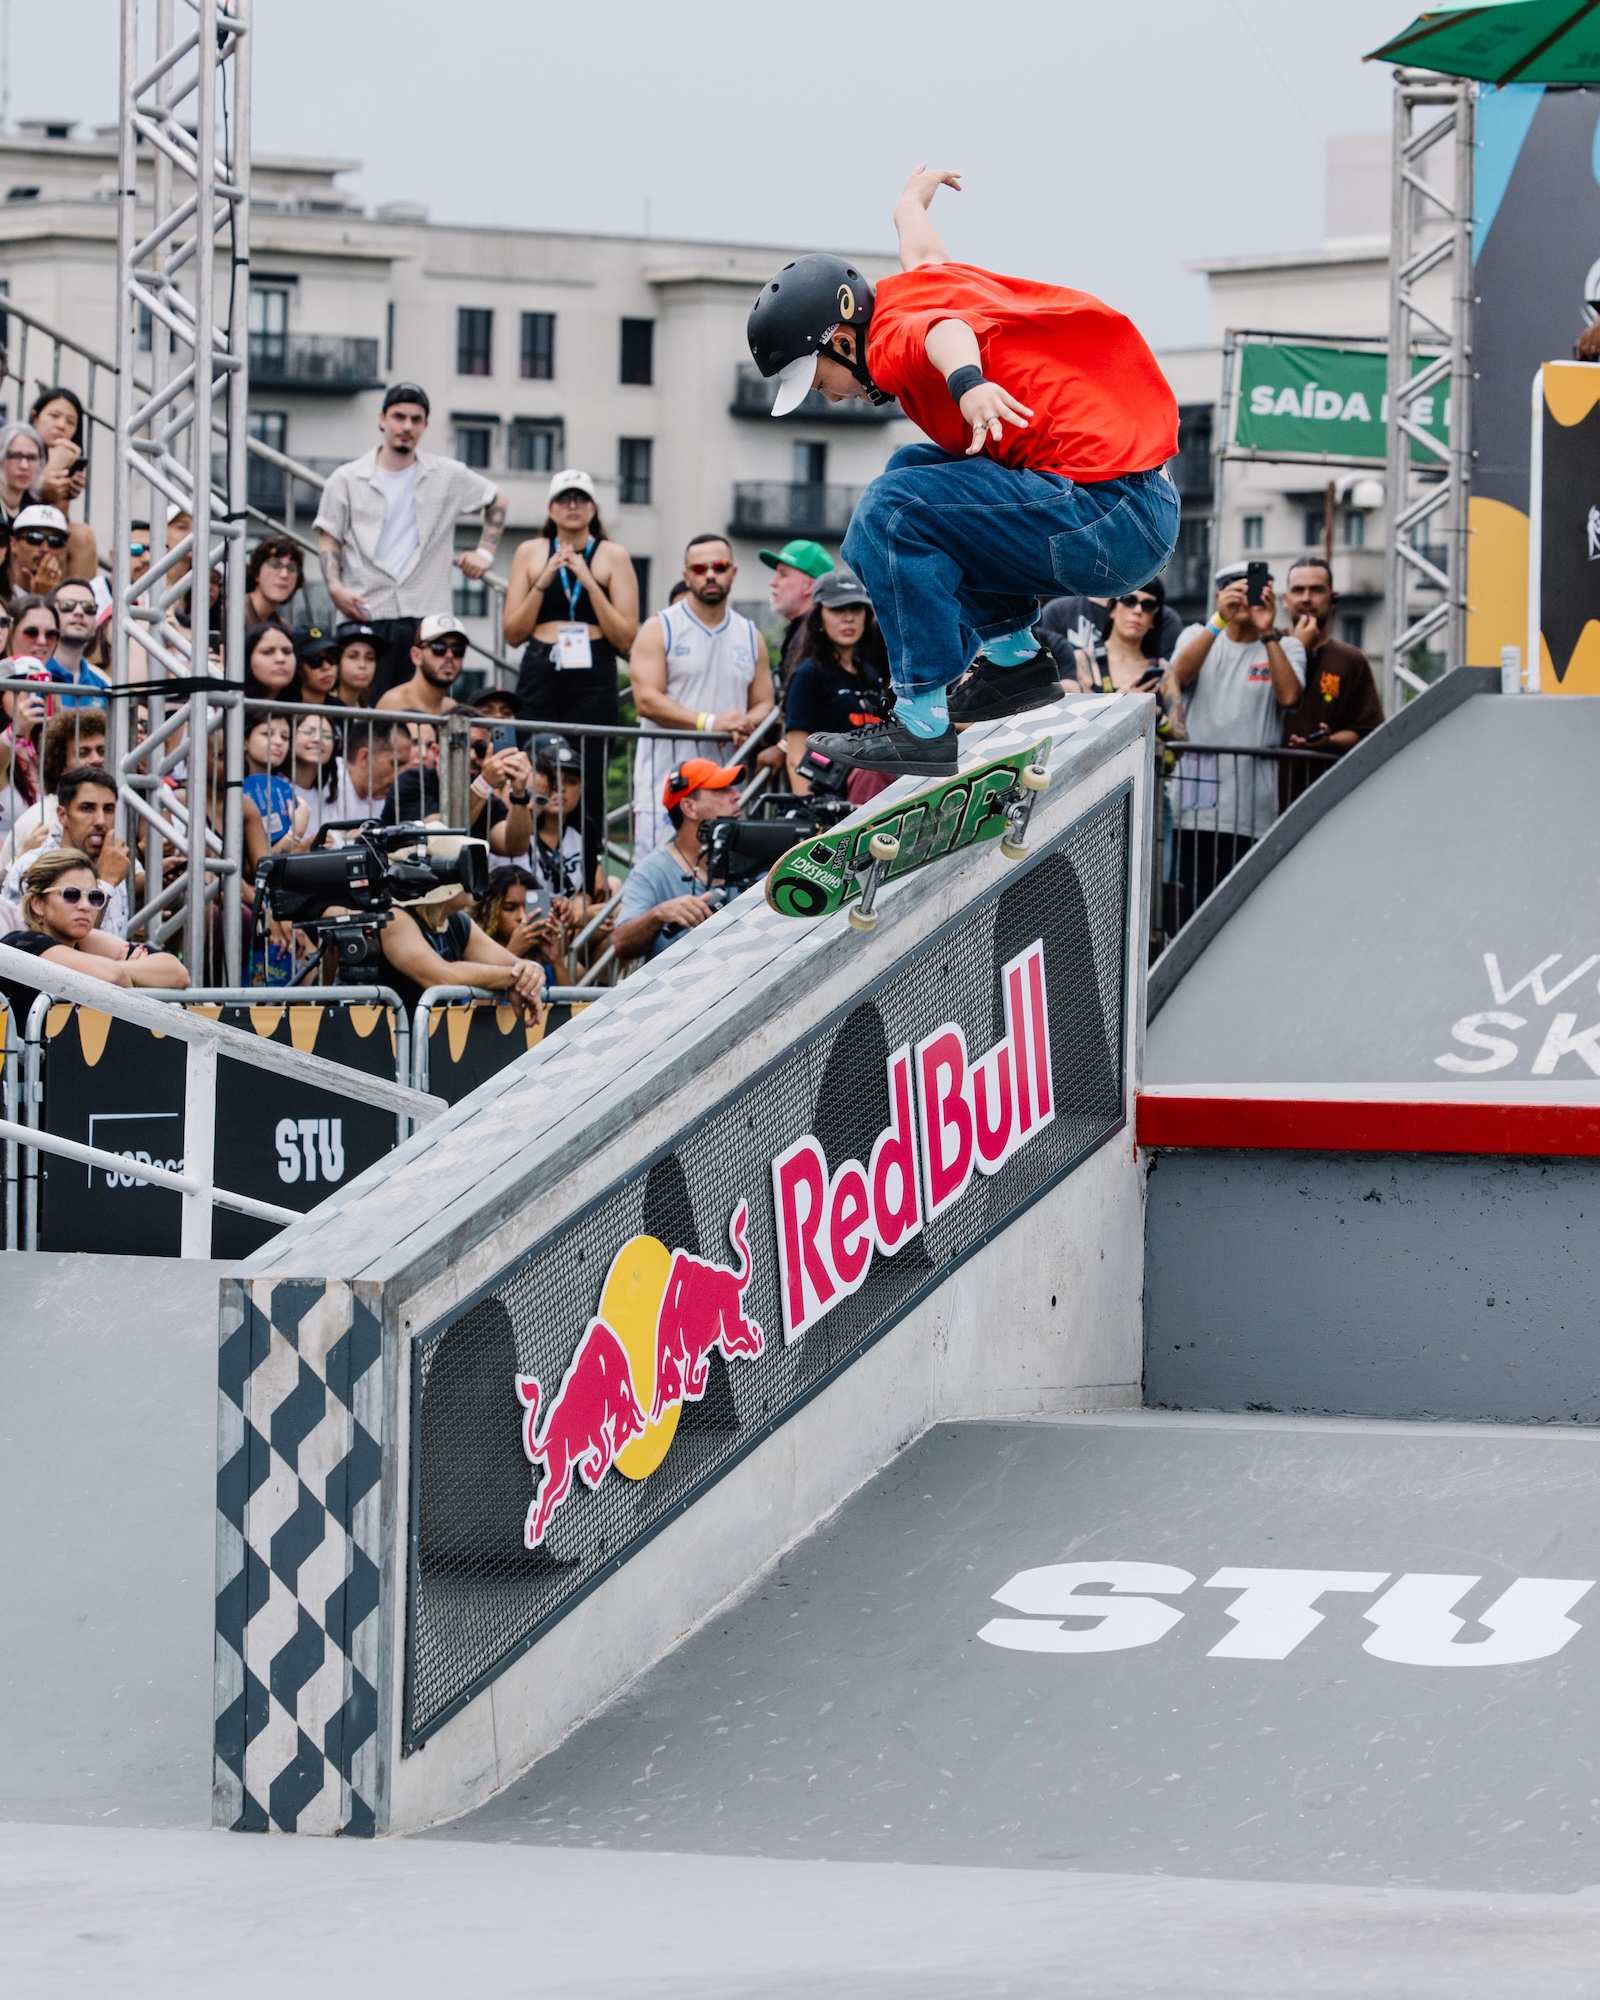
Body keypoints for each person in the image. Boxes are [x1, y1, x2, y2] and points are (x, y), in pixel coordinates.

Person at [747, 165, 1179, 776]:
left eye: (820, 380)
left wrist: (968, 383)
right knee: (915, 469)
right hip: (1132, 505)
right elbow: (922, 247)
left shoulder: (889, 339)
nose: (832, 396)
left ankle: (921, 720)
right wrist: (909, 205)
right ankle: (1013, 659)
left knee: (890, 512)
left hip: (1107, 516)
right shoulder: (917, 285)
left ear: (842, 340)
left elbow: (944, 333)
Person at [314, 382, 509, 694]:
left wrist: (484, 552)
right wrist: (334, 588)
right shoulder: (346, 479)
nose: (406, 426)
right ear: (382, 419)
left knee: (419, 721)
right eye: (399, 417)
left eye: (415, 419)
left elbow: (496, 498)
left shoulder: (447, 474)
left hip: (426, 614)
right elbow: (329, 539)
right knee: (362, 715)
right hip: (365, 609)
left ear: (425, 425)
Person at [503, 469, 640, 886]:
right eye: (565, 498)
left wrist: (587, 581)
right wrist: (545, 580)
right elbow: (512, 633)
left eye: (581, 498)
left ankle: (590, 867)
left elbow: (625, 637)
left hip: (593, 667)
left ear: (594, 507)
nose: (573, 506)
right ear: (551, 508)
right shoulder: (530, 551)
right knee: (533, 763)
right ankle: (527, 862)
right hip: (541, 663)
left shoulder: (613, 556)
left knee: (590, 769)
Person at [1167, 563, 1305, 919]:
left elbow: (1290, 697)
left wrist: (1267, 632)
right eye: (1234, 587)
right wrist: (1219, 621)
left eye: (1255, 587)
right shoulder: (1197, 634)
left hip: (1253, 806)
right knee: (1191, 906)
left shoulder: (1287, 645)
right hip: (1195, 801)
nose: (1245, 595)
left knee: (1245, 910)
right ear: (1218, 595)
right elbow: (1175, 680)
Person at [629, 534, 773, 856]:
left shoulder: (750, 634)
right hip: (664, 792)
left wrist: (744, 722)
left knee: (720, 893)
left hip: (726, 794)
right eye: (699, 567)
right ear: (686, 576)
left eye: (719, 566)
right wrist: (711, 723)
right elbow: (646, 700)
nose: (710, 574)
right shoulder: (659, 627)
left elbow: (765, 702)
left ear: (732, 573)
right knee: (662, 894)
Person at [371, 838, 546, 1022]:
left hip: (432, 1038)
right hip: (390, 1041)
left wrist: (530, 975)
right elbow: (442, 976)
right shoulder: (394, 917)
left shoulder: (457, 921)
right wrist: (515, 978)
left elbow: (512, 965)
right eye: (465, 867)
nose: (476, 877)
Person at [1, 848, 185, 1016]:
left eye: (94, 897)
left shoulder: (84, 940)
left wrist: (117, 968)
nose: (85, 906)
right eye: (71, 895)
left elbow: (178, 973)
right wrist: (124, 968)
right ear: (38, 904)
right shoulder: (23, 943)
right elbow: (112, 977)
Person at [612, 757, 745, 963]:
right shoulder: (652, 870)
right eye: (721, 790)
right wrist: (659, 914)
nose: (737, 795)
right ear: (689, 807)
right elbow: (621, 943)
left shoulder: (753, 859)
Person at [1276, 558, 1384, 808]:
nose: (1306, 598)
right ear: (1284, 599)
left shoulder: (1351, 659)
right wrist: (1297, 648)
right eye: (1298, 590)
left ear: (1333, 600)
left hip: (1328, 799)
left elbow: (1367, 733)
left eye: (1316, 590)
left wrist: (1330, 740)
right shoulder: (1269, 648)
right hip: (1268, 795)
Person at [782, 568, 892, 799]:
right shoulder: (808, 674)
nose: (848, 617)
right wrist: (813, 814)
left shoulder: (872, 674)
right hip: (832, 802)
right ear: (818, 615)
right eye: (837, 609)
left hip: (879, 796)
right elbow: (796, 757)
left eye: (856, 608)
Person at [2, 764, 133, 937]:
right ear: (62, 815)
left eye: (108, 809)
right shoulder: (31, 866)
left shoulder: (114, 867)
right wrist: (105, 886)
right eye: (87, 808)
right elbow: (24, 951)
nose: (100, 820)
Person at [0, 706, 107, 867]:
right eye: (83, 753)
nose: (96, 759)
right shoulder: (43, 819)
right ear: (60, 763)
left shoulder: (111, 807)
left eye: (102, 751)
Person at [29, 388, 97, 580]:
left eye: (70, 422)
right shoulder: (16, 447)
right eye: (54, 416)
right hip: (15, 527)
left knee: (81, 536)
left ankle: (79, 601)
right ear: (35, 417)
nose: (61, 425)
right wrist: (51, 468)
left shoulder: (69, 455)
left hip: (49, 533)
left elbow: (57, 522)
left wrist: (67, 491)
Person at [1042, 587, 1183, 674]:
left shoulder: (1162, 667)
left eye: (1149, 606)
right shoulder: (1058, 612)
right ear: (1112, 609)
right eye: (1129, 601)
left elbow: (1175, 719)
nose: (1138, 611)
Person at [759, 537, 834, 688]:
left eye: (783, 574)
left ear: (809, 586)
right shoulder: (802, 631)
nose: (773, 582)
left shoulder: (818, 638)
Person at [378, 612, 468, 717]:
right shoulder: (394, 704)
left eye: (458, 649)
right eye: (438, 648)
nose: (449, 655)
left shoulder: (451, 707)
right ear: (416, 655)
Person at [243, 713, 306, 855]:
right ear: (245, 741)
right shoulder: (228, 788)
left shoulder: (286, 790)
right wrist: (294, 835)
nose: (278, 742)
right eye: (267, 734)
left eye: (285, 737)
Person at [42, 581, 109, 707]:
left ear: (95, 624)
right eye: (67, 605)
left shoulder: (102, 686)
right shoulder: (33, 675)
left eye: (88, 607)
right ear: (49, 616)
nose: (79, 612)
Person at [330, 717, 398, 827]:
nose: (401, 773)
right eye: (396, 764)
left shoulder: (377, 790)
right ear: (365, 757)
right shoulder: (327, 780)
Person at [291, 712, 341, 841]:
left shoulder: (328, 792)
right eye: (308, 732)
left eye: (326, 735)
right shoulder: (276, 787)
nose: (318, 739)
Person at [9, 505, 73, 599]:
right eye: (35, 538)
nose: (45, 548)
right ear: (13, 544)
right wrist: (41, 597)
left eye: (55, 541)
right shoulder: (3, 593)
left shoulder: (71, 602)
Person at [244, 537, 304, 628]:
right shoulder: (230, 614)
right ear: (257, 573)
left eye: (291, 568)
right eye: (275, 565)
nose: (284, 575)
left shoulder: (283, 628)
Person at [243, 621, 299, 705]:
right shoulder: (227, 707)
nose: (281, 659)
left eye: (287, 651)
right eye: (267, 652)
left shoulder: (302, 713)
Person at [292, 625, 344, 707]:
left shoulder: (341, 711)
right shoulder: (281, 711)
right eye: (315, 660)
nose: (326, 667)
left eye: (331, 657)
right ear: (298, 666)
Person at [331, 621, 379, 708]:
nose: (363, 665)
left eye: (370, 658)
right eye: (353, 656)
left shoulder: (368, 711)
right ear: (336, 661)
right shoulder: (323, 708)